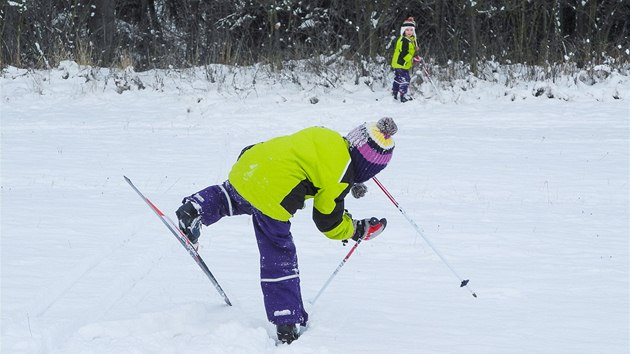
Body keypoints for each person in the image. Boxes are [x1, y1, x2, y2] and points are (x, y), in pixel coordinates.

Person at [175, 117, 398, 344]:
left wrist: (350, 181)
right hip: (273, 193)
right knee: (279, 254)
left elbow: (322, 164)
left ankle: (195, 208)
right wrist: (356, 230)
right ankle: (287, 319)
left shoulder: (325, 134)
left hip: (251, 163)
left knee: (233, 197)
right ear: (367, 170)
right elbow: (328, 221)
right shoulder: (341, 176)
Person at [391, 17, 422, 102]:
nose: (409, 32)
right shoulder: (404, 41)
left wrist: (414, 51)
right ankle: (403, 95)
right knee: (405, 79)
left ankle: (394, 93)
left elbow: (410, 50)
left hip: (398, 63)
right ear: (403, 31)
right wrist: (413, 58)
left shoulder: (409, 40)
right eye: (407, 30)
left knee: (398, 78)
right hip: (401, 63)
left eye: (411, 30)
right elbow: (404, 54)